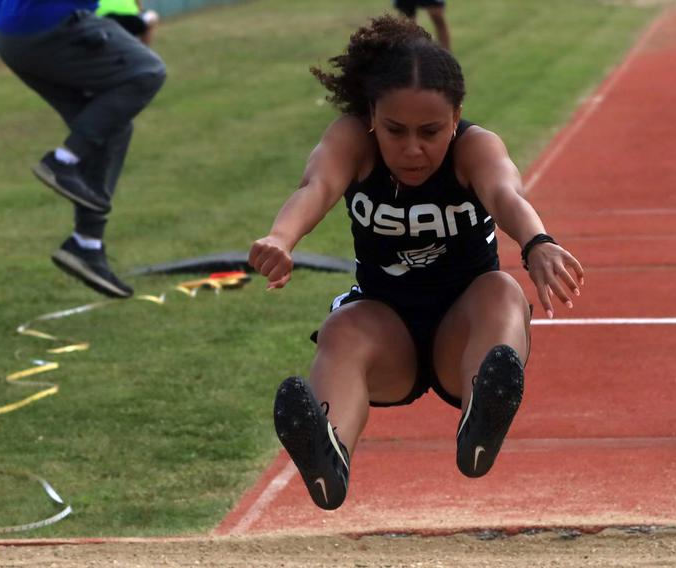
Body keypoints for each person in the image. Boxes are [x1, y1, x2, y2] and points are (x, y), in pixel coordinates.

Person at [248, 15, 583, 511]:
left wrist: (536, 242)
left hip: (464, 333)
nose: (412, 149)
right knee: (344, 325)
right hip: (389, 333)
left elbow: (505, 192)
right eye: (394, 130)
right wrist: (281, 237)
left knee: (502, 291)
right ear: (370, 118)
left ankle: (480, 419)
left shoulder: (475, 148)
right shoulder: (352, 142)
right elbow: (315, 188)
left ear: (456, 116)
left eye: (430, 131)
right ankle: (328, 455)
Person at [0, 0, 167, 298]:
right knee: (148, 71)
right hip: (48, 26)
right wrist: (140, 20)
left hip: (13, 36)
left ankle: (86, 244)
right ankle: (62, 161)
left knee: (111, 124)